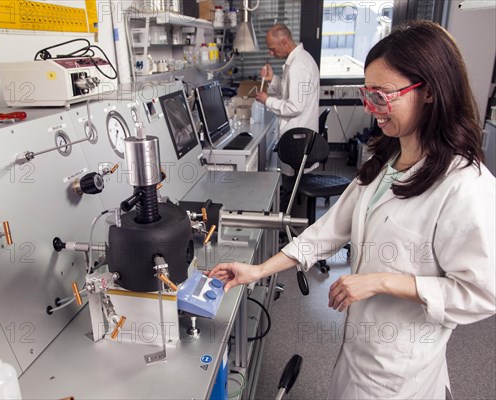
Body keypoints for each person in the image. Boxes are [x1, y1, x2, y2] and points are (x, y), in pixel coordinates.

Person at [208, 20, 495, 399]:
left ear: (428, 92)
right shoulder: (387, 160)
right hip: (359, 351)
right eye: (367, 92)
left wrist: (381, 280)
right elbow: (328, 230)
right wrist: (258, 270)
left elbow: (482, 293)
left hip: (401, 371)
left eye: (382, 94)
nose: (370, 107)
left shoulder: (466, 185)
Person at [256, 24, 320, 203]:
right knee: (290, 181)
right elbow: (288, 92)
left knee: (291, 183)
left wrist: (267, 100)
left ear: (284, 42)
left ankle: (286, 218)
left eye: (272, 48)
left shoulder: (299, 65)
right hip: (298, 135)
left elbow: (295, 106)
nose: (270, 53)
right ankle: (288, 209)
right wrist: (272, 80)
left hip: (298, 138)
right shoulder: (297, 61)